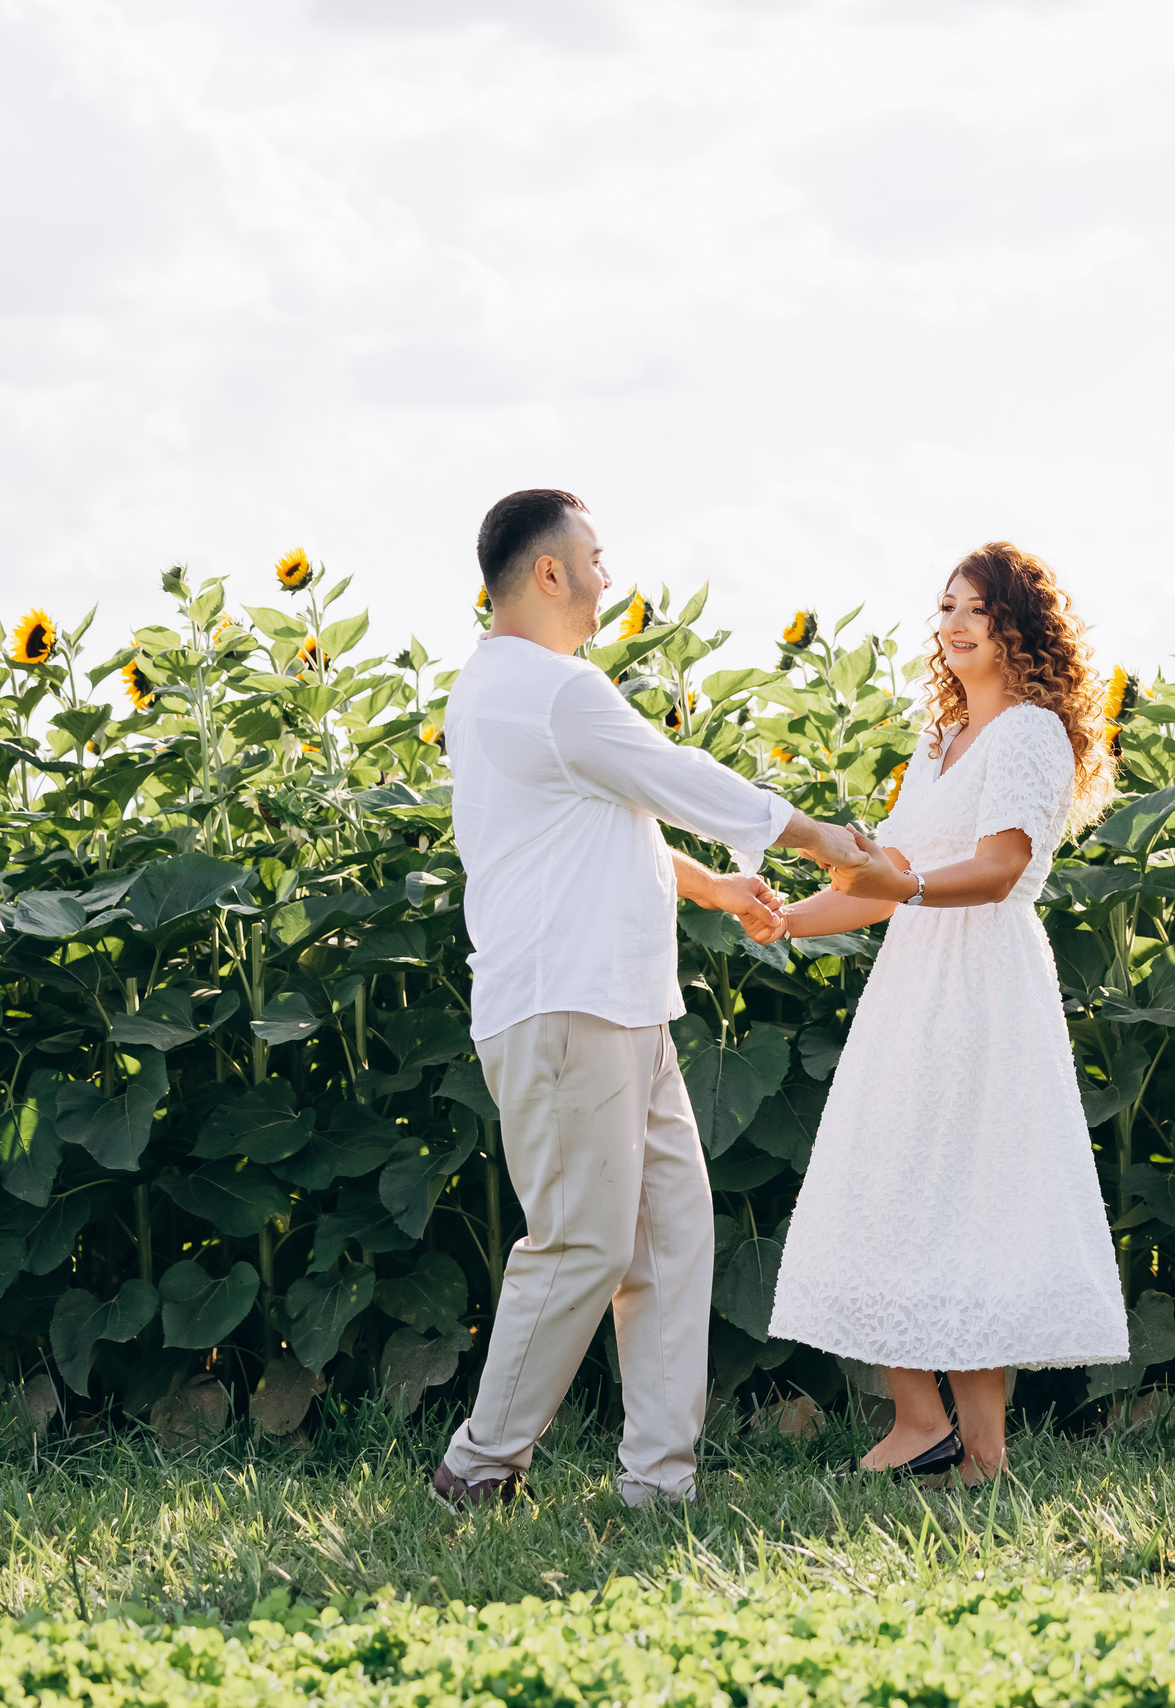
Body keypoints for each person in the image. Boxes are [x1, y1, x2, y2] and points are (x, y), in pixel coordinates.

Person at [436, 489, 871, 1511]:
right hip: (568, 1006)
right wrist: (823, 840)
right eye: (594, 557)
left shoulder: (504, 692)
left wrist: (709, 885)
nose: (605, 578)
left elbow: (600, 817)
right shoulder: (553, 689)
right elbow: (678, 775)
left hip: (624, 1006)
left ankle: (657, 1487)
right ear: (549, 572)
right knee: (584, 1241)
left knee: (672, 1241)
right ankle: (477, 1467)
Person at [767, 541, 1128, 1484]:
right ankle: (918, 1420)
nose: (957, 624)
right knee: (888, 1181)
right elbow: (885, 880)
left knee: (971, 1196)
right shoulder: (937, 744)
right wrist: (790, 920)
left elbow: (1001, 866)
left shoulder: (1031, 734)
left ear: (1022, 628)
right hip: (914, 980)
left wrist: (909, 880)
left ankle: (984, 1450)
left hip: (984, 985)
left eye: (979, 608)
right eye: (947, 608)